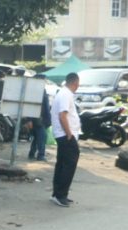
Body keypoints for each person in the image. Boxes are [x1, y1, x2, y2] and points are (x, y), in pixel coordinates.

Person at [50, 72, 81, 207]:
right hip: (65, 134)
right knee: (69, 165)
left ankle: (58, 193)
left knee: (62, 164)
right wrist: (69, 134)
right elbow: (62, 115)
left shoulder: (63, 93)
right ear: (75, 83)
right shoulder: (65, 94)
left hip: (63, 134)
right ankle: (60, 194)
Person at [28, 74, 52, 161]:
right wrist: (29, 120)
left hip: (41, 118)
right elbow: (29, 106)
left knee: (37, 137)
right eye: (43, 80)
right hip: (37, 119)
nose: (45, 82)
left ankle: (32, 153)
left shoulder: (42, 90)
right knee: (42, 137)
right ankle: (41, 155)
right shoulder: (34, 91)